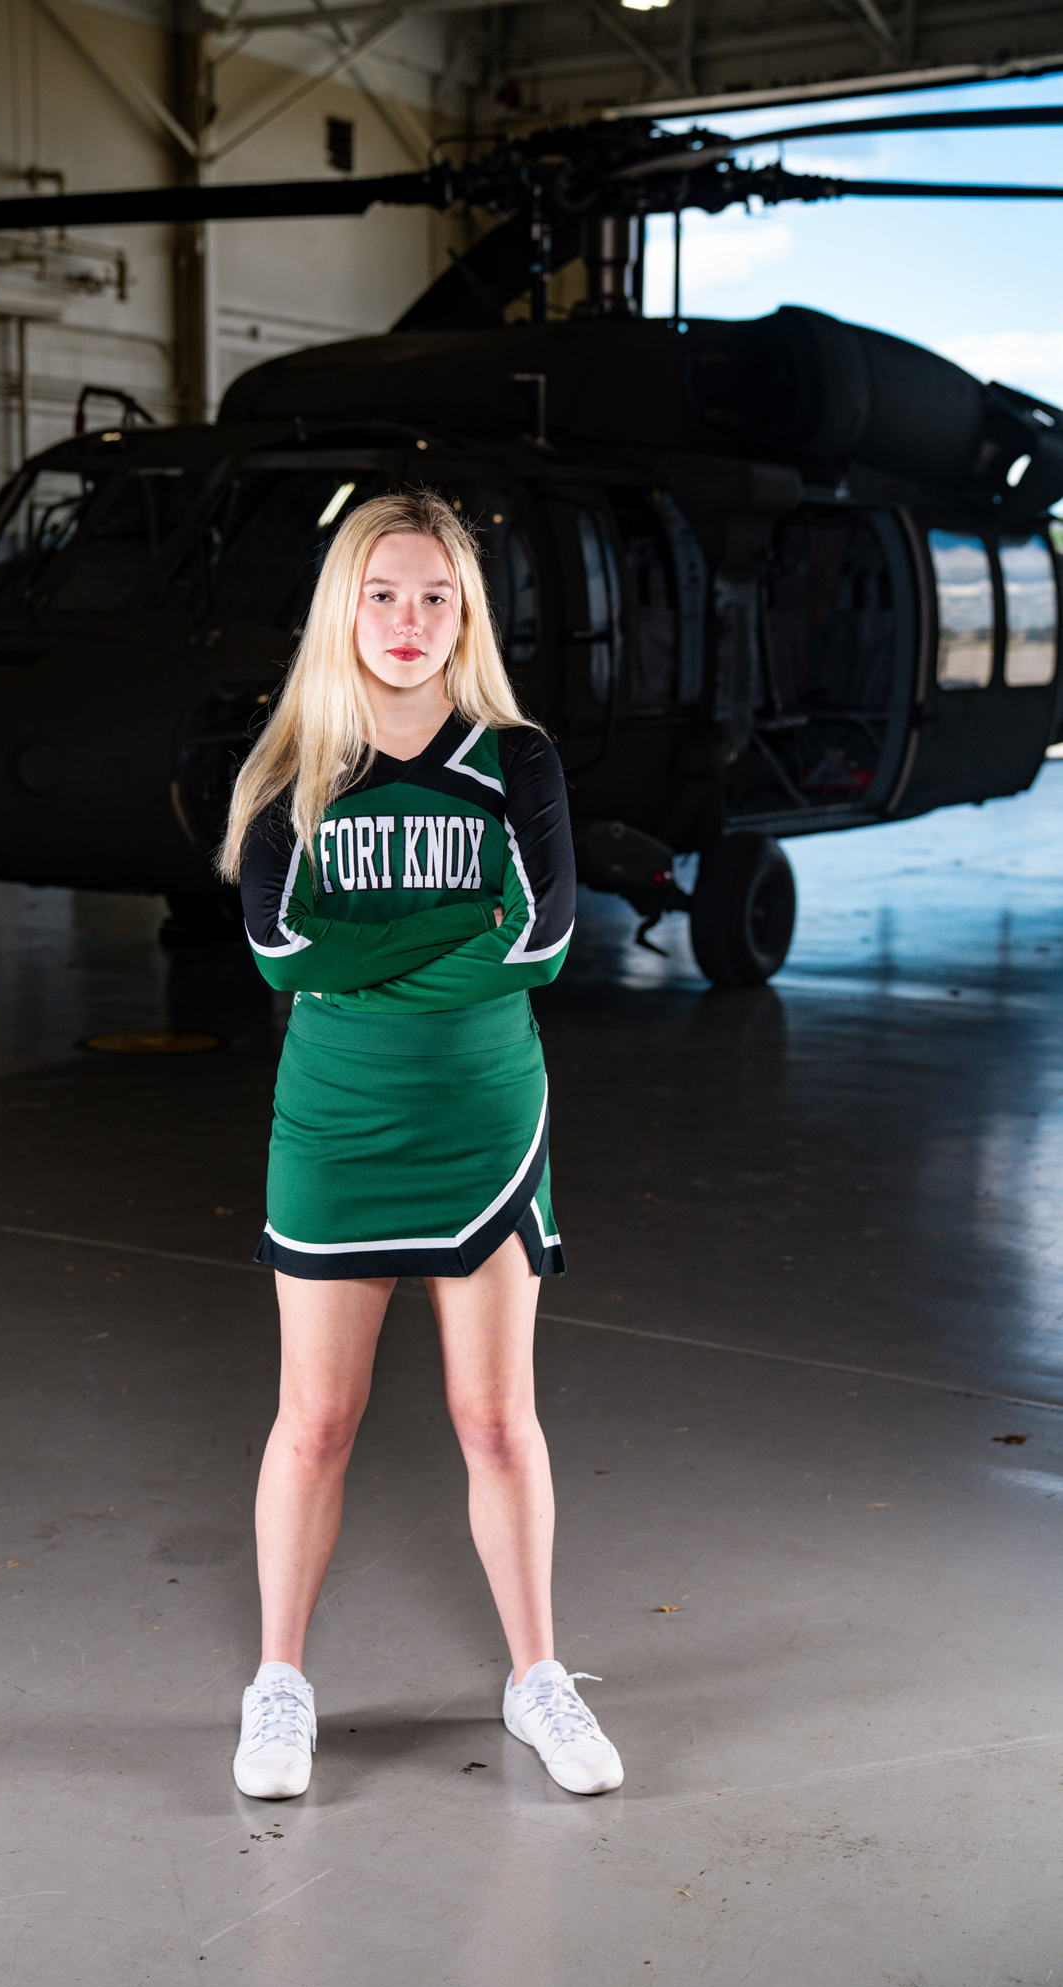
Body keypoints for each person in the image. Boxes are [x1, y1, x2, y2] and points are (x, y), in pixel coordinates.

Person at [217, 491, 623, 1800]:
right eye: (382, 593)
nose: (407, 620)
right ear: (343, 606)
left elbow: (542, 944)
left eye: (434, 596)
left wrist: (370, 961)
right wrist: (456, 930)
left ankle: (536, 1677)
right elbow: (281, 952)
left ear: (466, 615)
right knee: (316, 1420)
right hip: (335, 1128)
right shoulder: (294, 769)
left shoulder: (518, 760)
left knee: (495, 1419)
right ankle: (279, 1685)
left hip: (484, 1124)